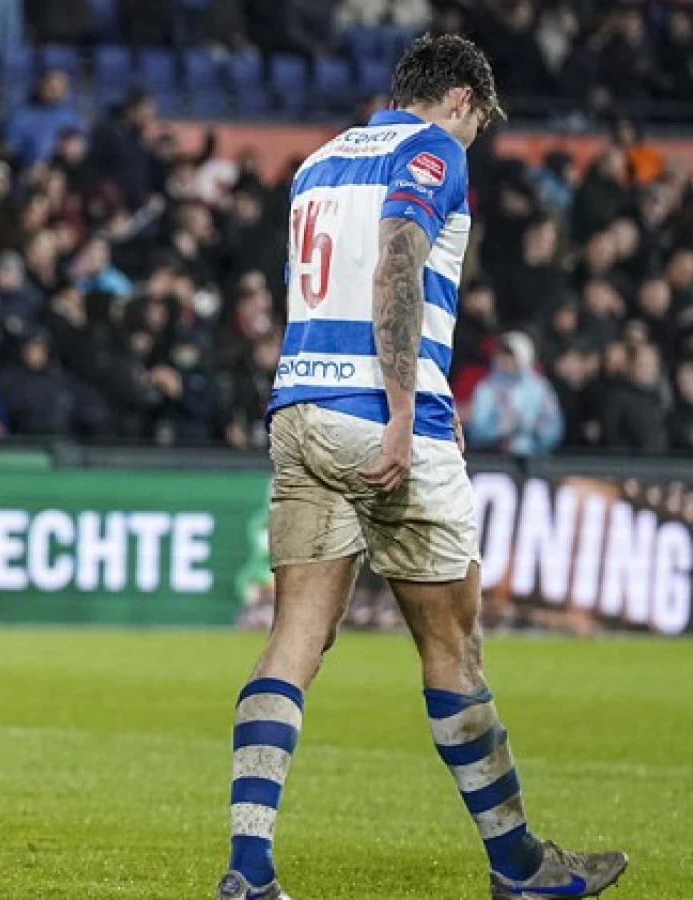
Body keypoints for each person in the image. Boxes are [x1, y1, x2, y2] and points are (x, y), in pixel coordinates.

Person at [217, 36, 627, 900]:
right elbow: (400, 252)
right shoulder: (431, 149)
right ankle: (519, 867)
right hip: (380, 416)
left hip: (296, 408)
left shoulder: (322, 160)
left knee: (292, 641)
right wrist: (405, 412)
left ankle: (248, 869)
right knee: (453, 646)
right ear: (460, 100)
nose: (474, 137)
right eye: (479, 121)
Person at [466, 332, 565, 456]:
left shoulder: (539, 387)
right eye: (502, 355)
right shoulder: (486, 388)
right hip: (495, 460)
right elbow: (476, 432)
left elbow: (555, 429)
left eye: (511, 355)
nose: (506, 361)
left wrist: (535, 429)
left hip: (536, 461)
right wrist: (501, 428)